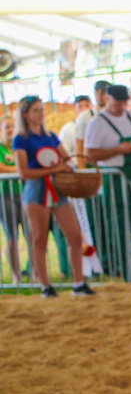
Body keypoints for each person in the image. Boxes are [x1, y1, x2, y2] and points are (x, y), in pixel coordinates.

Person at [11, 95, 94, 298]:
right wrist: (54, 169)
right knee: (39, 239)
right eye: (36, 110)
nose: (40, 114)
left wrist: (65, 167)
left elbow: (66, 157)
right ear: (25, 115)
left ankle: (78, 283)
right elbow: (23, 173)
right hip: (36, 191)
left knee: (75, 237)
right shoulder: (20, 139)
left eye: (41, 110)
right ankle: (45, 286)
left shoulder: (50, 136)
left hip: (56, 189)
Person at [84, 84, 131, 279]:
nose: (121, 107)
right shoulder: (97, 123)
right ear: (107, 99)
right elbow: (90, 155)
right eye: (117, 103)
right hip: (113, 181)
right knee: (119, 225)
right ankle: (125, 269)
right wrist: (119, 150)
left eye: (124, 103)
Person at [0, 114, 23, 286]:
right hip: (5, 194)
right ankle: (16, 275)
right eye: (6, 127)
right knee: (11, 236)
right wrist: (19, 169)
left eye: (12, 126)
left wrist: (15, 169)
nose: (10, 130)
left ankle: (35, 272)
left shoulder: (19, 146)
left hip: (24, 193)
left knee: (32, 234)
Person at [74, 80, 110, 169]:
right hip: (92, 166)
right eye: (97, 92)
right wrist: (82, 170)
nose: (100, 96)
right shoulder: (85, 116)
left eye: (104, 92)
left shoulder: (116, 116)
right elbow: (79, 145)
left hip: (109, 164)